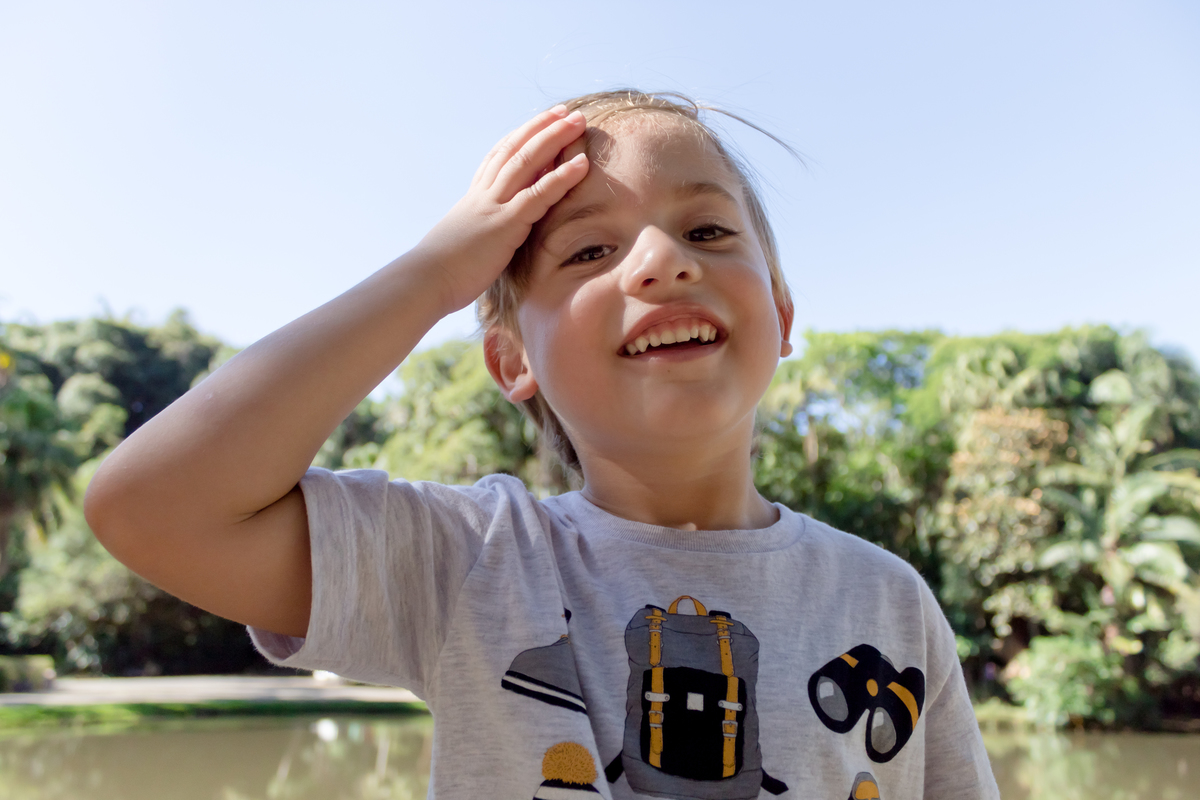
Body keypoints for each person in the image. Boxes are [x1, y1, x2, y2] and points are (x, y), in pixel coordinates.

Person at [85, 90, 999, 799]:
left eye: (708, 230)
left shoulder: (888, 601)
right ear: (512, 360)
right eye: (589, 252)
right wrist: (436, 271)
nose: (660, 260)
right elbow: (151, 506)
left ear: (783, 313)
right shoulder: (469, 564)